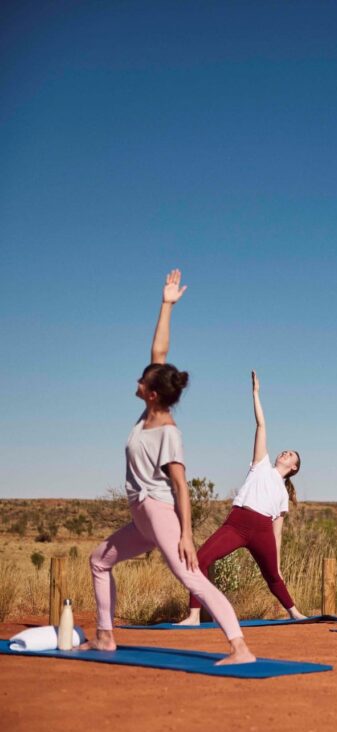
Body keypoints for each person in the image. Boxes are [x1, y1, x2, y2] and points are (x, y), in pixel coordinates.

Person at [83, 270, 254, 664]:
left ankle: (239, 647)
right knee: (99, 559)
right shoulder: (147, 413)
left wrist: (187, 536)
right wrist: (166, 304)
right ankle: (106, 637)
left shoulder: (168, 433)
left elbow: (181, 488)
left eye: (142, 381)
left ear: (153, 392)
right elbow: (159, 351)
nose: (138, 382)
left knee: (189, 575)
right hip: (142, 516)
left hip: (160, 514)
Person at [176, 371, 304, 625]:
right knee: (200, 559)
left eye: (290, 455)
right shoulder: (261, 464)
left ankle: (294, 612)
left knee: (273, 576)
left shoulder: (282, 494)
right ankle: (193, 615)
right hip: (237, 522)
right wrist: (255, 394)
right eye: (285, 451)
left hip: (262, 530)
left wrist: (277, 563)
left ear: (294, 468)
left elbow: (277, 533)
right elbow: (261, 426)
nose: (285, 453)